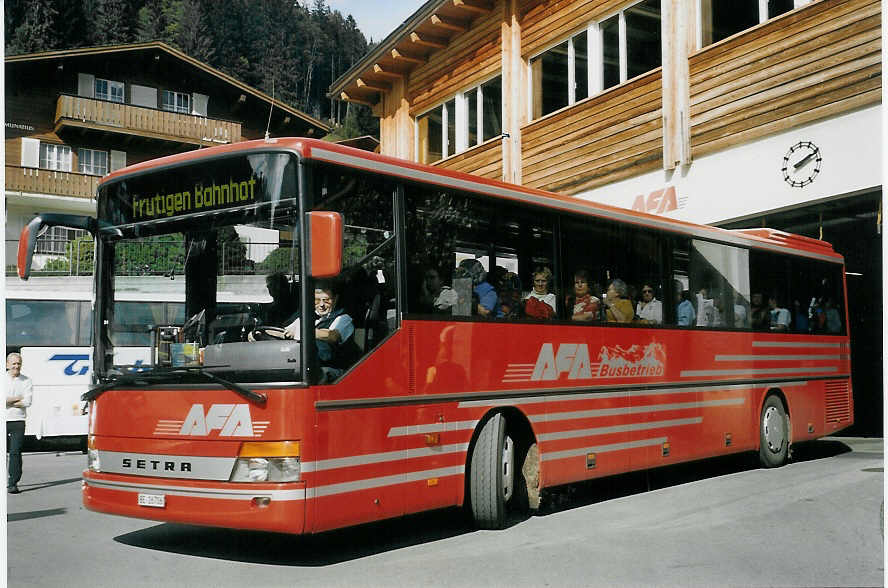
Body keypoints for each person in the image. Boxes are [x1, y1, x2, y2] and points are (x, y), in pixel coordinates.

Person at [284, 280, 359, 383]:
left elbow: (332, 336)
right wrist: (263, 332)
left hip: (336, 371)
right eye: (317, 300)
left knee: (313, 375)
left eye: (326, 300)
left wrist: (300, 331)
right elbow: (286, 331)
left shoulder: (344, 318)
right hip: (308, 365)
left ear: (335, 299)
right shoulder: (307, 316)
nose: (321, 304)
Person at [6, 352, 32, 494]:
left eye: (18, 363)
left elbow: (27, 402)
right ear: (7, 365)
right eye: (14, 363)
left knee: (15, 452)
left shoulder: (26, 381)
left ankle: (13, 483)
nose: (16, 366)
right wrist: (18, 398)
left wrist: (7, 401)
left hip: (18, 421)